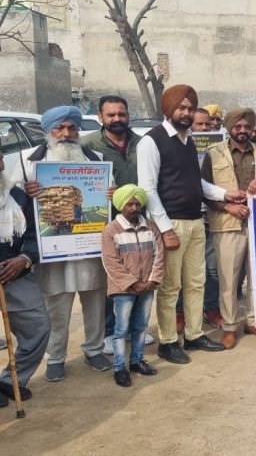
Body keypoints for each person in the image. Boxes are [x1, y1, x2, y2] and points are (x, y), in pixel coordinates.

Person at [137, 84, 245, 364]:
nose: (185, 113)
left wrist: (225, 194)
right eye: (181, 108)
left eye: (189, 108)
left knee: (196, 283)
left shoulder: (188, 141)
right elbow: (147, 189)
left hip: (196, 221)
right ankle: (168, 342)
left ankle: (194, 335)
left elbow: (197, 183)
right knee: (171, 287)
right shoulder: (151, 141)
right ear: (168, 109)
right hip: (171, 223)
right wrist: (166, 230)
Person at [11, 105, 111, 382]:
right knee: (56, 305)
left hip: (89, 246)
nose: (66, 133)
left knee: (95, 301)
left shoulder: (96, 159)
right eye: (60, 127)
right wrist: (25, 192)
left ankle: (94, 349)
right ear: (48, 131)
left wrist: (111, 193)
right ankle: (55, 357)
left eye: (72, 128)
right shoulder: (26, 161)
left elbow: (108, 197)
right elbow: (9, 200)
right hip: (51, 249)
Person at [81, 95, 155, 355]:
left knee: (140, 273)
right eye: (111, 114)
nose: (117, 119)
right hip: (106, 223)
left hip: (139, 221)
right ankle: (110, 332)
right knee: (111, 278)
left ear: (128, 115)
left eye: (121, 114)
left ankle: (135, 327)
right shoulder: (87, 145)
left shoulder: (142, 143)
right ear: (100, 117)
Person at [201, 108, 256, 348]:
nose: (243, 131)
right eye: (238, 127)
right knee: (228, 281)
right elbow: (203, 190)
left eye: (247, 127)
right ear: (229, 128)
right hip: (226, 225)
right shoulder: (213, 154)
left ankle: (255, 321)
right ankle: (230, 327)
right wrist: (227, 207)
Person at [0, 149, 49, 408]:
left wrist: (25, 258)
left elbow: (36, 235)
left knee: (39, 328)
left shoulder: (18, 196)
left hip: (17, 273)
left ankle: (11, 380)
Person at [101, 185, 164, 387]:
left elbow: (159, 254)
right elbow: (110, 262)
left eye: (137, 203)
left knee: (140, 327)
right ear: (120, 205)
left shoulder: (150, 227)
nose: (134, 208)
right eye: (129, 204)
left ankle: (136, 361)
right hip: (123, 290)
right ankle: (120, 368)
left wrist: (153, 279)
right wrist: (132, 283)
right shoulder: (111, 229)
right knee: (121, 330)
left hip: (147, 287)